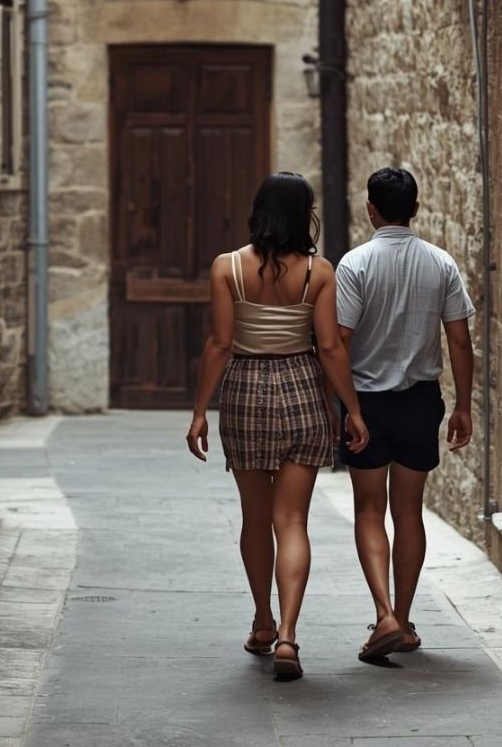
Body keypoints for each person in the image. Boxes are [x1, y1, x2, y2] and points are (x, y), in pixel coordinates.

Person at [186, 172, 369, 682]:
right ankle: (289, 634)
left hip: (244, 390)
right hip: (303, 389)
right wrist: (352, 410)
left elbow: (219, 343)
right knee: (293, 521)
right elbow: (330, 347)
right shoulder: (319, 271)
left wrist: (201, 410)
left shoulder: (227, 268)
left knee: (255, 519)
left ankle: (263, 622)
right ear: (303, 213)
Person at [335, 167, 475, 662]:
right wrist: (463, 405)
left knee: (369, 510)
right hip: (420, 402)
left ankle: (384, 615)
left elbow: (342, 341)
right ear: (415, 208)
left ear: (370, 209)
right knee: (409, 511)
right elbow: (459, 339)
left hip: (367, 405)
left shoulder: (354, 266)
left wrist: (347, 407)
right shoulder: (441, 265)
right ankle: (406, 618)